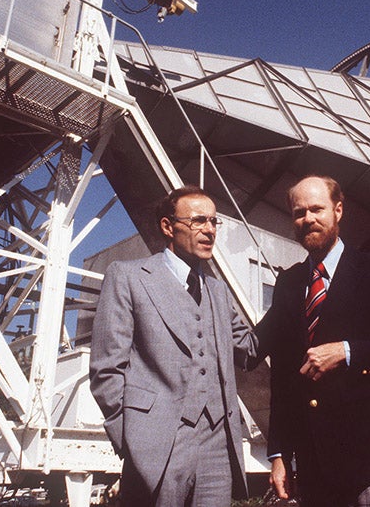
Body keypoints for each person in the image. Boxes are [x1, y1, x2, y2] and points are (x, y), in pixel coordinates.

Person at [255, 175, 370, 507]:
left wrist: (348, 352)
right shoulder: (290, 283)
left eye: (317, 209)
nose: (308, 219)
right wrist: (279, 453)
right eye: (299, 212)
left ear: (338, 210)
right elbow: (283, 377)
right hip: (315, 467)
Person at [89, 185, 258, 507]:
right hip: (156, 443)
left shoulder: (218, 291)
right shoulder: (128, 276)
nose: (209, 230)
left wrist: (293, 298)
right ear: (168, 226)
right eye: (198, 221)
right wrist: (133, 438)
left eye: (213, 221)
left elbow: (249, 347)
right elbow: (106, 367)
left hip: (217, 444)